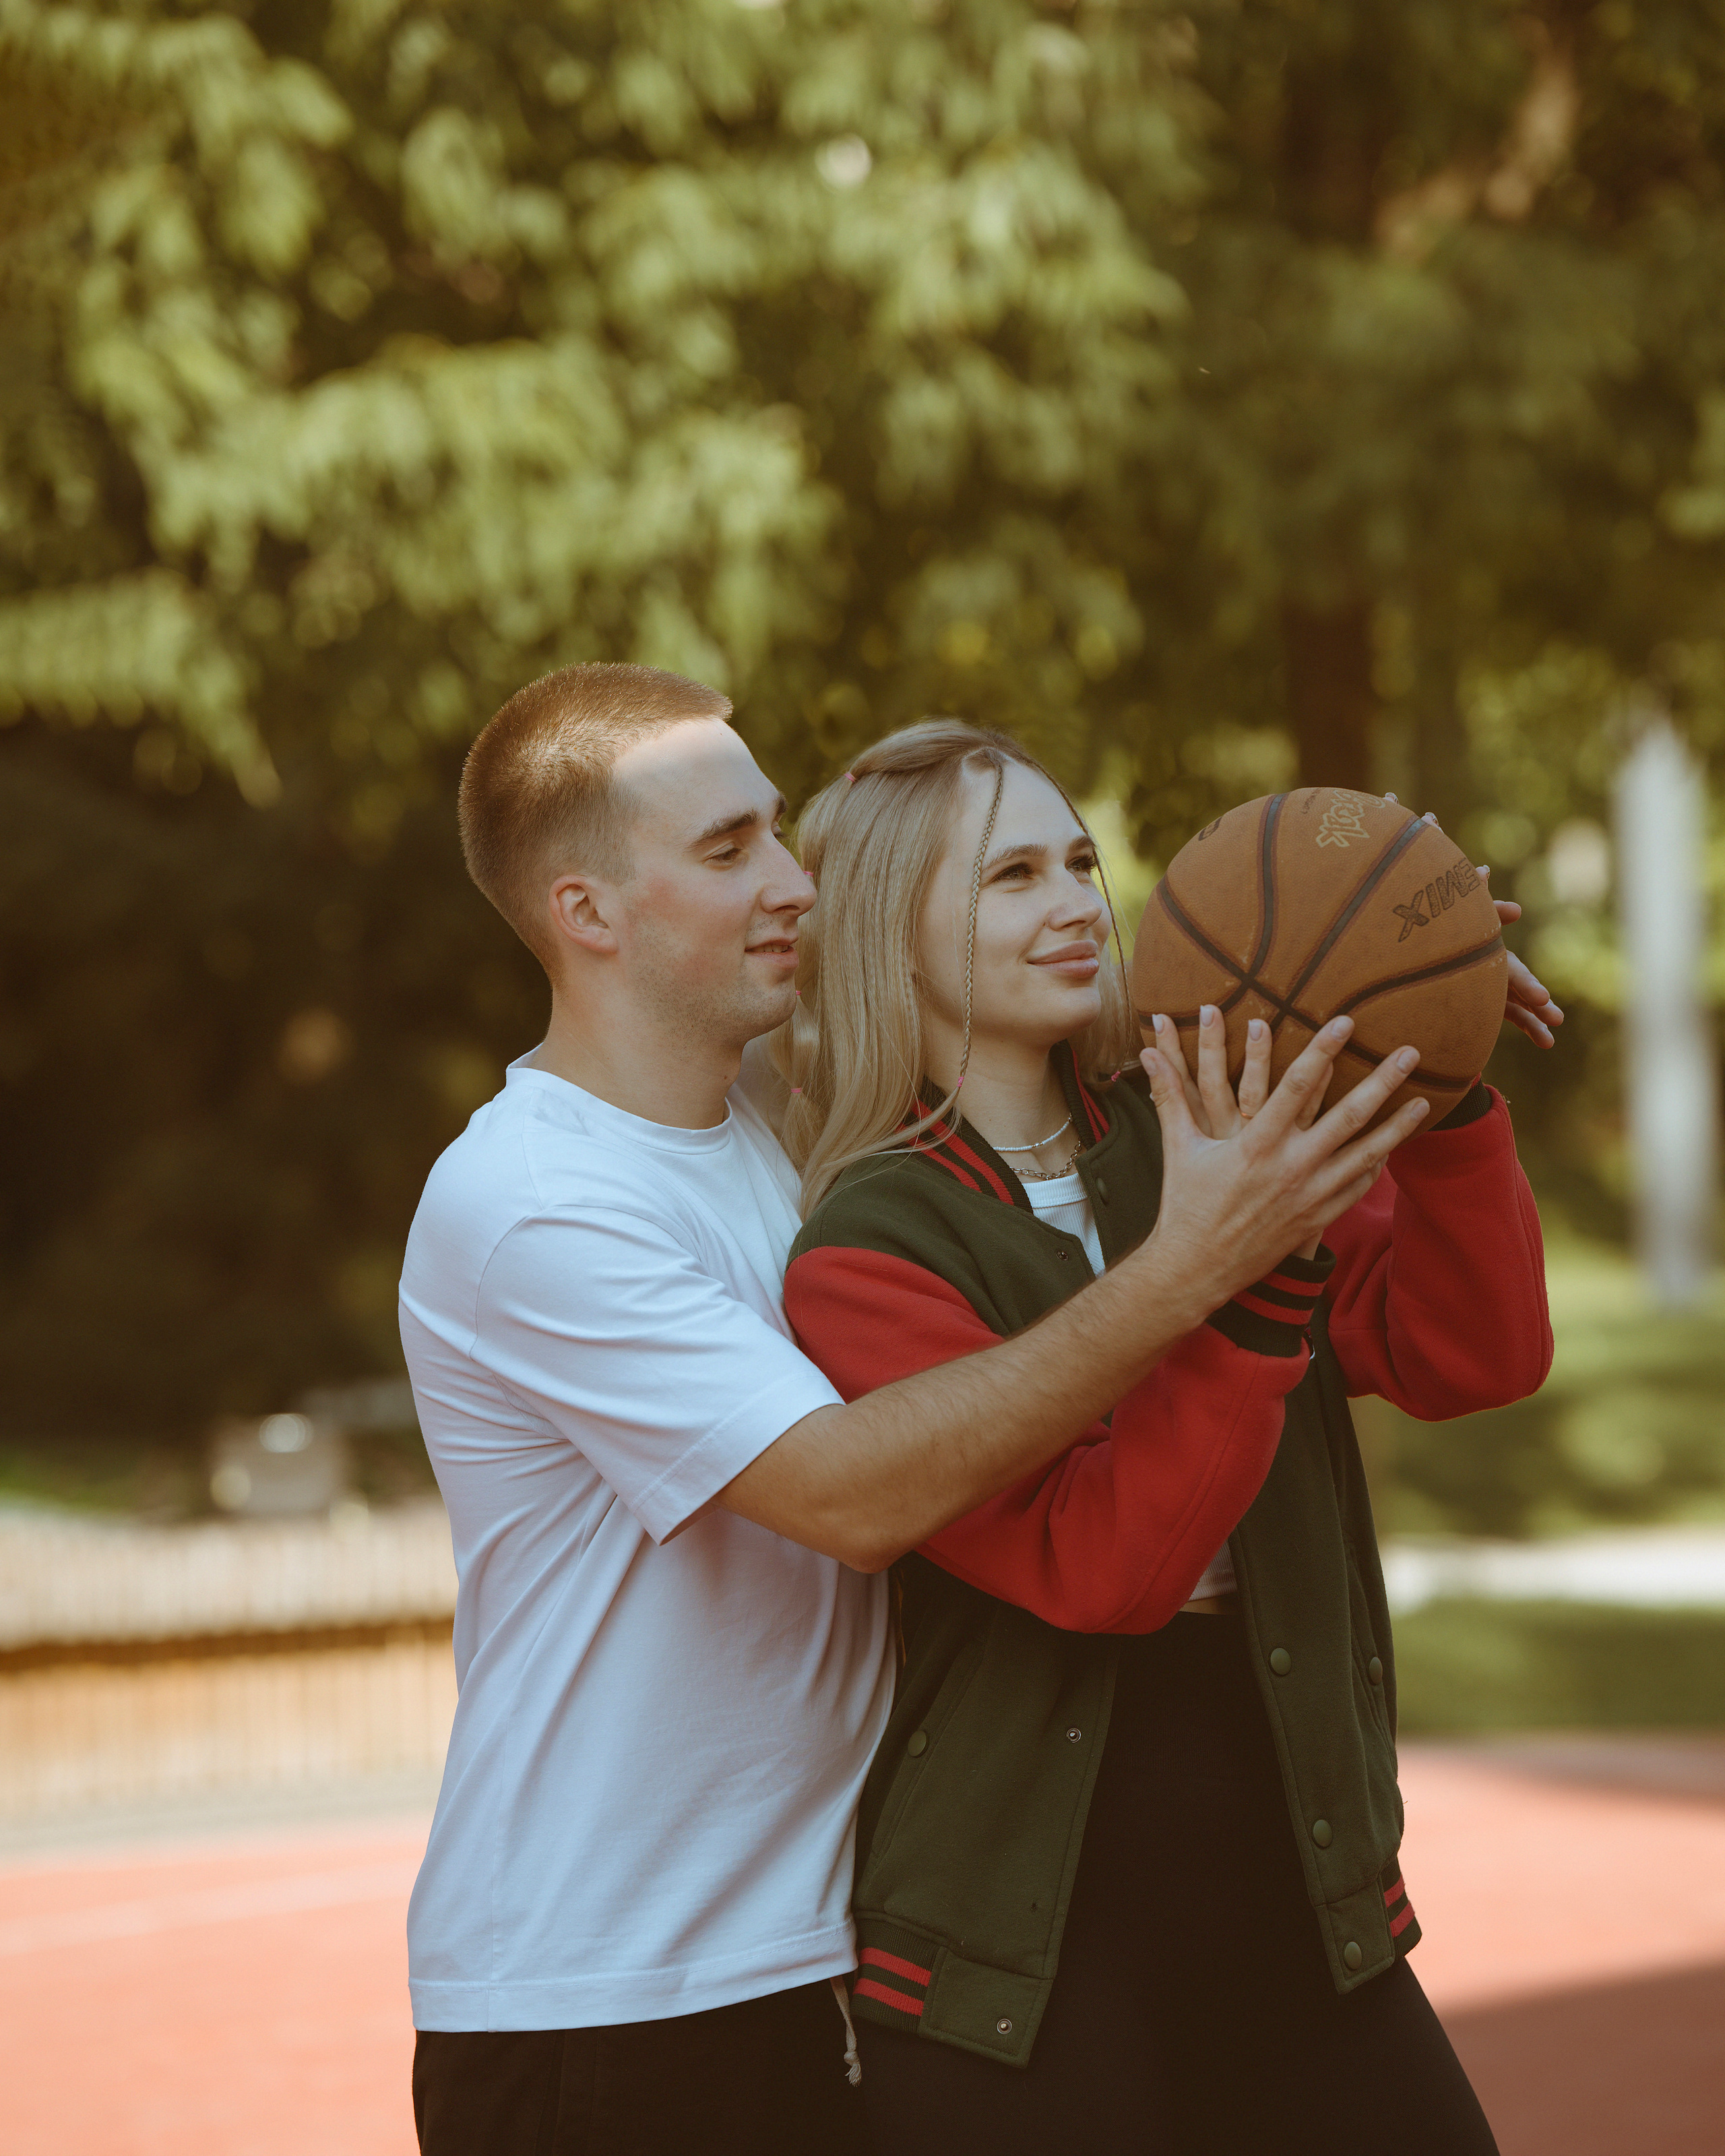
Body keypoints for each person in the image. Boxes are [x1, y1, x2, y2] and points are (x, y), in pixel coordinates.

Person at [397, 664, 1435, 2156]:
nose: (793, 883)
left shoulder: (778, 1133)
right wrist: (1204, 1260)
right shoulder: (532, 1200)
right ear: (587, 913)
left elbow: (976, 1019)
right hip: (609, 1993)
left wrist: (1386, 957)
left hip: (817, 1954)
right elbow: (853, 1495)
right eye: (729, 849)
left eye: (779, 836)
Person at [778, 720, 1559, 2154]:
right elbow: (1102, 1566)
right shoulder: (868, 1246)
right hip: (1018, 1954)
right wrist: (1239, 1266)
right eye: (1011, 875)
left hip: (1291, 1889)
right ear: (892, 930)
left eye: (1078, 858)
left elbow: (1470, 1353)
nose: (1075, 900)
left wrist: (1434, 1069)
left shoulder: (1203, 1119)